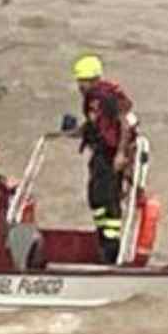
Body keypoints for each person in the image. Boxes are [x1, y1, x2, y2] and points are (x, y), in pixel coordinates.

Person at [65, 53, 139, 264]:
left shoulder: (105, 97)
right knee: (96, 198)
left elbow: (124, 124)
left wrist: (121, 154)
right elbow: (95, 124)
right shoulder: (95, 98)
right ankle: (104, 240)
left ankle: (111, 247)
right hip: (101, 153)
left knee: (107, 199)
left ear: (92, 79)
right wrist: (77, 132)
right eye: (79, 81)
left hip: (110, 154)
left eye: (83, 81)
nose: (80, 86)